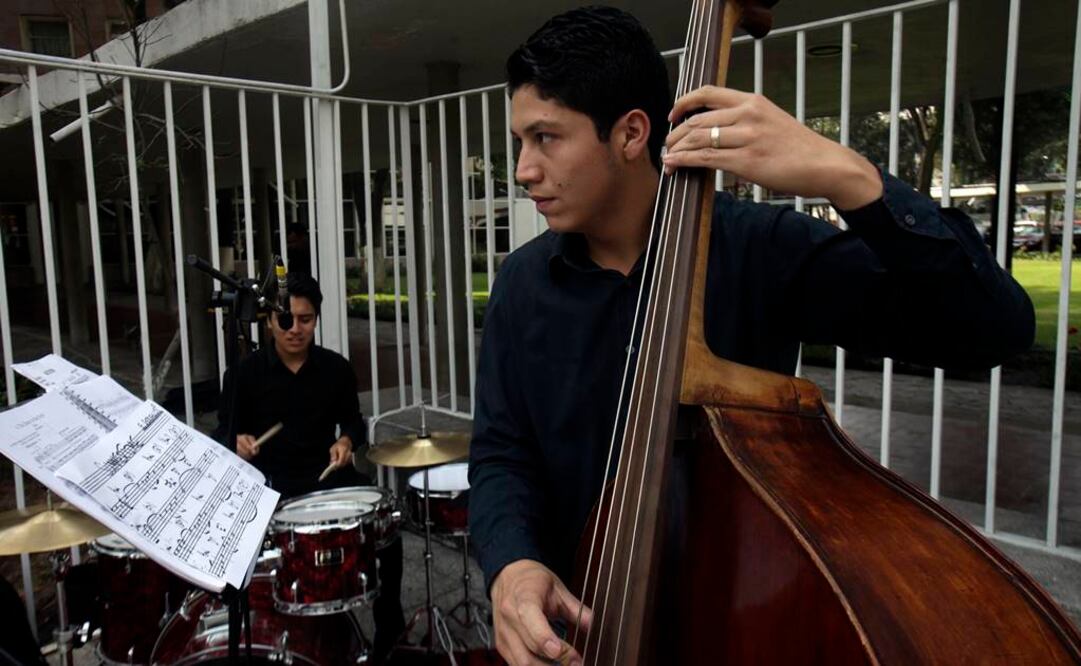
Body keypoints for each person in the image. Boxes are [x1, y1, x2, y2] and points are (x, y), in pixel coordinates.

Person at [467, 6, 1036, 666]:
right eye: (520, 142)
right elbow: (503, 452)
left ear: (628, 133)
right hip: (582, 625)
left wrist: (847, 176)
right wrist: (511, 564)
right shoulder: (522, 283)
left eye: (545, 138)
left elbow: (989, 329)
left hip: (741, 622)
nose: (521, 170)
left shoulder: (759, 249)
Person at [215, 272, 405, 660]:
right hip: (271, 484)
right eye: (286, 320)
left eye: (306, 320)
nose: (295, 329)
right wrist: (238, 442)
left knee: (388, 528)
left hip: (325, 476)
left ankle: (390, 626)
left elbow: (354, 421)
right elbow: (223, 434)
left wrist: (347, 441)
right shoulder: (243, 375)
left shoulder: (335, 368)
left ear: (316, 319)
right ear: (269, 320)